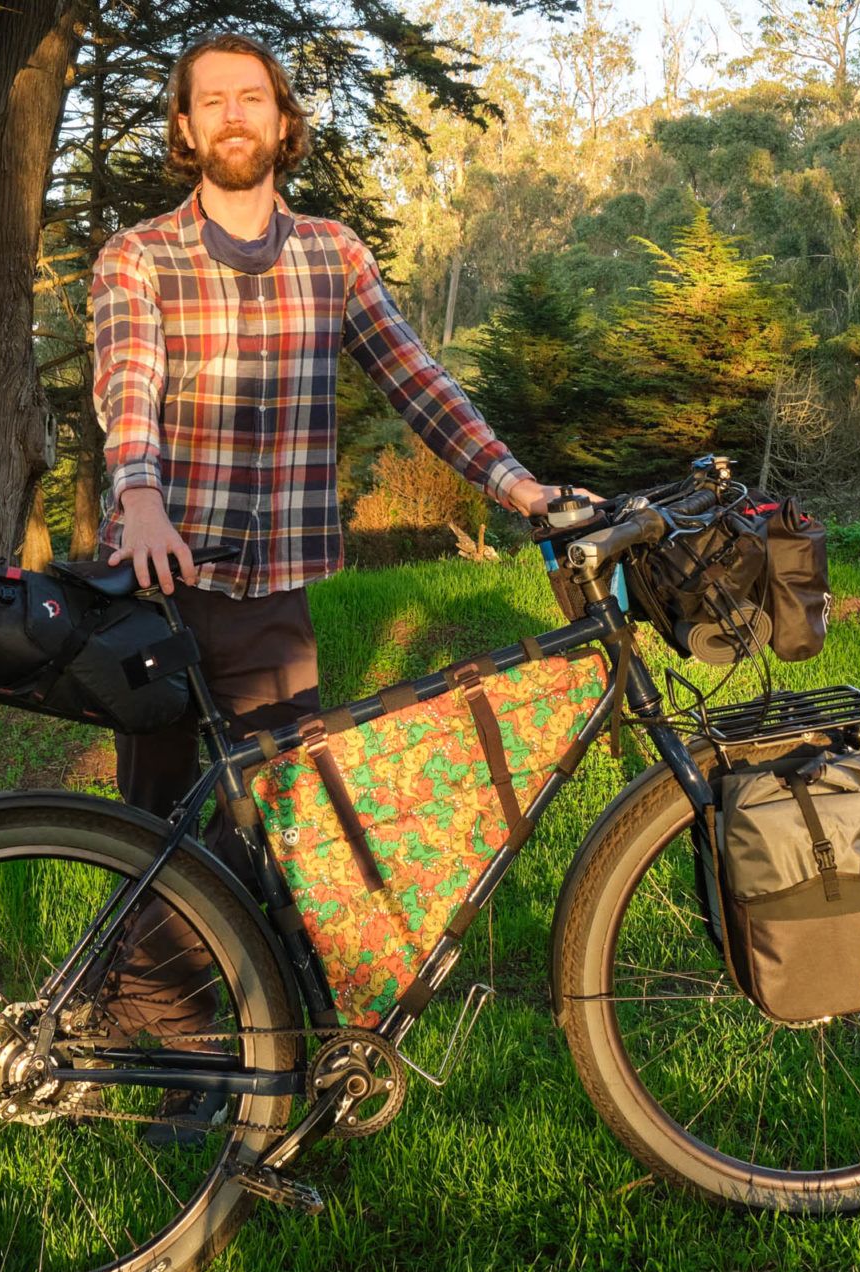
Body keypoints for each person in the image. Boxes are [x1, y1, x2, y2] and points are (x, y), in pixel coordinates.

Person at [85, 32, 578, 1144]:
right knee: (159, 822)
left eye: (248, 97)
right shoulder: (138, 255)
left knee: (282, 827)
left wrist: (510, 482)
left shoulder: (330, 254)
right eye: (208, 102)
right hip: (159, 584)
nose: (230, 117)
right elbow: (129, 380)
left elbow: (415, 376)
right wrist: (142, 488)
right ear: (184, 129)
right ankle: (175, 1060)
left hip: (274, 595)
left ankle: (271, 1036)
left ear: (281, 119)